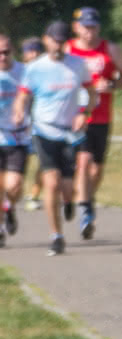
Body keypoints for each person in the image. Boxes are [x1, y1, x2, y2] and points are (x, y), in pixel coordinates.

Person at [13, 22, 93, 257]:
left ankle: (68, 202)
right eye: (54, 41)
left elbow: (92, 92)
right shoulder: (35, 68)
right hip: (44, 130)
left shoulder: (78, 65)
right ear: (46, 40)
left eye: (62, 41)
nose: (58, 45)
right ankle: (56, 236)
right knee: (51, 182)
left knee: (67, 188)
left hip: (70, 133)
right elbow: (23, 95)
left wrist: (84, 113)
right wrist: (19, 111)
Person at [66, 6, 122, 241]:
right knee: (83, 162)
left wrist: (112, 85)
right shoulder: (68, 50)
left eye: (93, 27)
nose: (89, 32)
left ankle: (85, 197)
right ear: (76, 27)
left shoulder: (110, 50)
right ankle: (85, 212)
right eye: (85, 27)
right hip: (76, 117)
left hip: (102, 117)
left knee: (97, 169)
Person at [0, 33, 30, 245]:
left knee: (13, 186)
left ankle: (10, 208)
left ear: (13, 51)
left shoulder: (25, 72)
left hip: (18, 137)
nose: (2, 57)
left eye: (6, 52)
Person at [18, 37, 44, 211]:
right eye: (30, 51)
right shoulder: (18, 72)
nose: (33, 54)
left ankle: (34, 195)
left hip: (42, 124)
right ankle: (14, 192)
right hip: (21, 125)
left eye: (37, 51)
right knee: (19, 161)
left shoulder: (47, 71)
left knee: (44, 161)